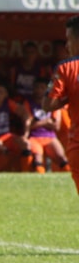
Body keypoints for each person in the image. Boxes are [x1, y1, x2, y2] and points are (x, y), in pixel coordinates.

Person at [43, 15, 79, 195]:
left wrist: (68, 98)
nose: (67, 46)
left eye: (69, 39)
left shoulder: (66, 67)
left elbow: (48, 104)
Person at [24, 79, 69, 173]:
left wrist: (36, 123)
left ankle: (70, 180)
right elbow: (28, 125)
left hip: (50, 137)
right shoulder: (28, 104)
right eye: (37, 88)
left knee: (62, 158)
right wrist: (46, 122)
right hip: (34, 137)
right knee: (38, 157)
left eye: (42, 88)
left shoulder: (53, 103)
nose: (39, 90)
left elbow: (56, 126)